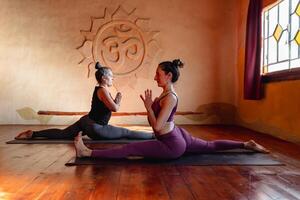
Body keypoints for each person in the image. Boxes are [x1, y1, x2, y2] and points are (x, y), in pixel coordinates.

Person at [74, 59, 269, 158]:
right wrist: (149, 108)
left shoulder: (170, 98)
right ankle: (245, 144)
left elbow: (157, 128)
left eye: (158, 74)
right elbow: (155, 126)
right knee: (210, 147)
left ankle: (88, 153)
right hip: (177, 135)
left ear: (168, 75)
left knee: (130, 148)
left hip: (171, 144)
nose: (155, 77)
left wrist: (149, 108)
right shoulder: (165, 94)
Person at [15, 62, 154, 140]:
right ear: (104, 78)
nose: (113, 79)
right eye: (111, 76)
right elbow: (115, 108)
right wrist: (119, 98)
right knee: (126, 133)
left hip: (86, 120)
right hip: (96, 128)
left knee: (63, 134)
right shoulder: (103, 90)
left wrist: (116, 97)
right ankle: (154, 135)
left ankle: (33, 134)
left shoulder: (100, 89)